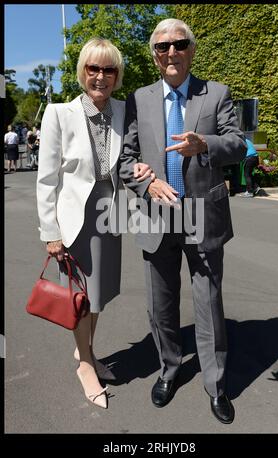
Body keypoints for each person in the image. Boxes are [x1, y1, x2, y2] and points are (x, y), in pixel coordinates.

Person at [119, 18, 247, 424]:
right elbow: (125, 160)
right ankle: (169, 370)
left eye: (179, 44)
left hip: (201, 215)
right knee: (161, 305)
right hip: (156, 215)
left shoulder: (217, 94)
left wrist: (204, 143)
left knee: (208, 304)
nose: (171, 52)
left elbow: (238, 144)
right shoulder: (139, 99)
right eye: (162, 47)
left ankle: (216, 384)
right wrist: (146, 185)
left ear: (192, 49)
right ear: (155, 56)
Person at [36, 37, 153, 409]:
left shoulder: (123, 110)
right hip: (75, 216)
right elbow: (47, 179)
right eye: (93, 68)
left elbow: (133, 156)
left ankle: (84, 348)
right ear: (82, 71)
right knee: (79, 296)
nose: (100, 76)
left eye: (108, 69)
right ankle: (86, 363)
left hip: (111, 211)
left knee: (98, 293)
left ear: (117, 76)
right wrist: (50, 231)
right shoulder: (58, 113)